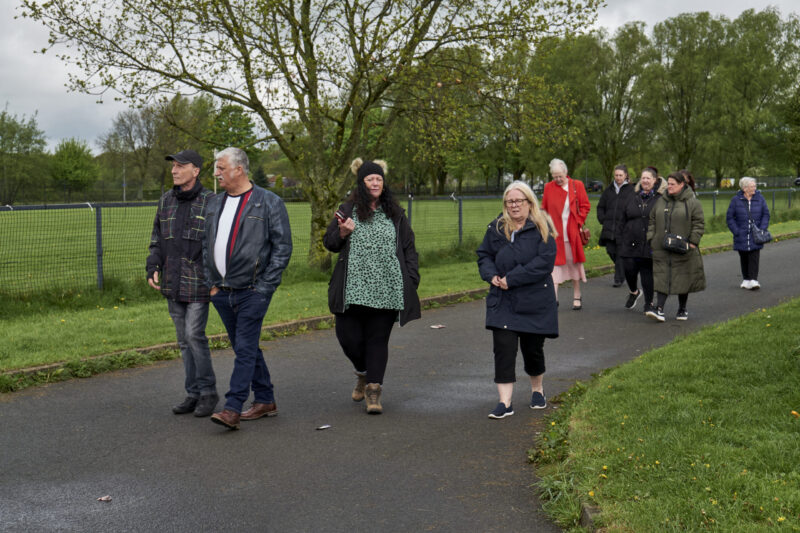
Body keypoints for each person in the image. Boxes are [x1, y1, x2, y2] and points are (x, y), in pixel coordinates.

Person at [203, 147, 292, 430]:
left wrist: (264, 287)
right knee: (246, 346)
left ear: (239, 169)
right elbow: (206, 246)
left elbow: (282, 247)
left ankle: (232, 407)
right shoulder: (214, 203)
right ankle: (265, 399)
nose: (216, 174)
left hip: (253, 290)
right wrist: (211, 285)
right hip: (222, 292)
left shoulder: (268, 202)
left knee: (244, 348)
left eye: (221, 168)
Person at [323, 158, 420, 415]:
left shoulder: (395, 214)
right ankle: (363, 373)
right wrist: (342, 233)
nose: (375, 183)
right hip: (352, 289)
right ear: (361, 183)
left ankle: (374, 391)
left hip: (387, 288)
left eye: (379, 179)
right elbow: (329, 242)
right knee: (348, 338)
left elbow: (409, 248)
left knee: (378, 340)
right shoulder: (347, 210)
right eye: (370, 179)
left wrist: (411, 279)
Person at [477, 181, 558, 419]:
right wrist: (491, 275)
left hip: (534, 301)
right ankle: (505, 402)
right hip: (503, 300)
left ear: (529, 202)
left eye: (518, 201)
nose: (513, 206)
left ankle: (537, 389)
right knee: (503, 348)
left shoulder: (542, 228)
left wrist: (512, 278)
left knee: (533, 350)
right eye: (509, 201)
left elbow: (543, 263)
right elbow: (484, 255)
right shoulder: (496, 228)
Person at [146, 149, 218, 417]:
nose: (174, 171)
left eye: (180, 166)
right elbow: (157, 238)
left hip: (200, 284)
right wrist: (153, 266)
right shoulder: (165, 201)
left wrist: (216, 279)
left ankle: (209, 392)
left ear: (196, 170)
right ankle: (193, 393)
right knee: (183, 341)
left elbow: (218, 245)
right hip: (173, 283)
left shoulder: (211, 202)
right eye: (173, 166)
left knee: (193, 335)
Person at [646, 170, 705, 322]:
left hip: (682, 248)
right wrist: (652, 238)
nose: (669, 187)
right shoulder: (661, 201)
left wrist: (692, 242)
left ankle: (682, 308)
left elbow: (699, 223)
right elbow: (652, 218)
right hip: (661, 248)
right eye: (668, 184)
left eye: (672, 184)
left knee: (682, 278)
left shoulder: (692, 202)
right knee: (662, 277)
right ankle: (659, 309)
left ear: (682, 185)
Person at [541, 158, 591, 310]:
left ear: (566, 172)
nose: (557, 179)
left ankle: (577, 294)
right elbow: (544, 208)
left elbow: (585, 206)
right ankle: (553, 298)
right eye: (554, 176)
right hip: (555, 234)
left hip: (571, 233)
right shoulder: (548, 187)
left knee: (573, 264)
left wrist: (578, 221)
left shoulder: (576, 185)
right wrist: (545, 225)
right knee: (554, 266)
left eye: (560, 176)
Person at [616, 166, 666, 314]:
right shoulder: (633, 197)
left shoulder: (660, 198)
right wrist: (620, 238)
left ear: (654, 180)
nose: (645, 181)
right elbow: (622, 218)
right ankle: (634, 291)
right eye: (643, 178)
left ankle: (649, 303)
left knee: (647, 274)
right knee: (629, 270)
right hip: (630, 241)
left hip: (649, 242)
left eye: (648, 178)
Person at [726, 177, 770, 289]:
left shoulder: (760, 198)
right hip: (741, 234)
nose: (754, 188)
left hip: (756, 233)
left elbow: (766, 214)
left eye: (755, 186)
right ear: (744, 188)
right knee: (744, 256)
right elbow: (730, 217)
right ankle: (746, 279)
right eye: (752, 186)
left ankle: (754, 280)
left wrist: (762, 228)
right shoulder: (736, 200)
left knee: (754, 255)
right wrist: (736, 231)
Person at [596, 164, 633, 287]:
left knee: (620, 253)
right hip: (609, 228)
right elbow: (600, 207)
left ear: (626, 175)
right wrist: (603, 219)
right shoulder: (609, 190)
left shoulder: (632, 190)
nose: (618, 177)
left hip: (624, 229)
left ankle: (618, 278)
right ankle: (624, 270)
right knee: (611, 251)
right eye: (616, 175)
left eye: (620, 175)